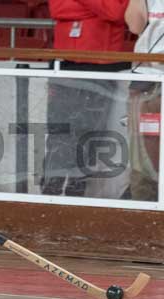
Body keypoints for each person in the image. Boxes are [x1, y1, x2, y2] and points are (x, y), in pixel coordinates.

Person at [41, 0, 130, 196]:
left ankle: (76, 192)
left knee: (88, 133)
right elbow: (57, 9)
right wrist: (96, 10)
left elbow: (115, 12)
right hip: (64, 64)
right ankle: (49, 191)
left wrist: (81, 6)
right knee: (58, 131)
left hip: (99, 68)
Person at [125, 0, 164, 201]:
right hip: (145, 77)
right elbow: (134, 26)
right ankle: (143, 206)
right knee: (141, 149)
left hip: (153, 75)